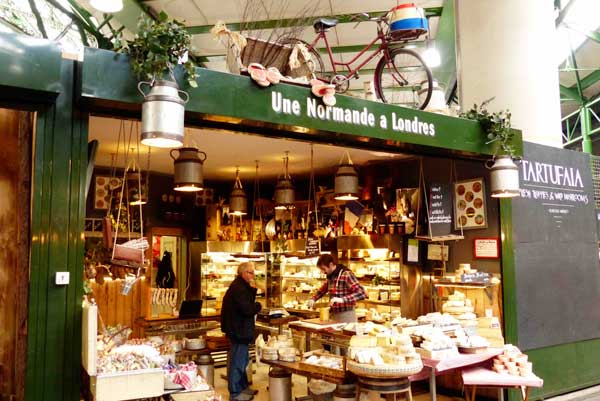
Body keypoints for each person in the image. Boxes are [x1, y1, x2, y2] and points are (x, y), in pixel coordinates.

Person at [221, 262, 261, 401]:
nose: (253, 275)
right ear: (243, 273)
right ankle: (235, 393)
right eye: (250, 272)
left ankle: (243, 387)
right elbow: (247, 309)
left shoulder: (241, 286)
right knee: (238, 361)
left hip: (239, 329)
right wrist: (258, 306)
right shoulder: (239, 288)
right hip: (238, 330)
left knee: (243, 360)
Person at [307, 254, 367, 323]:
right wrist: (313, 299)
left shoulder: (346, 274)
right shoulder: (331, 276)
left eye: (323, 269)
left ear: (331, 264)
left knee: (345, 333)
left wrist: (342, 299)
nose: (323, 272)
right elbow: (322, 290)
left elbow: (362, 293)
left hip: (347, 315)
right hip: (333, 314)